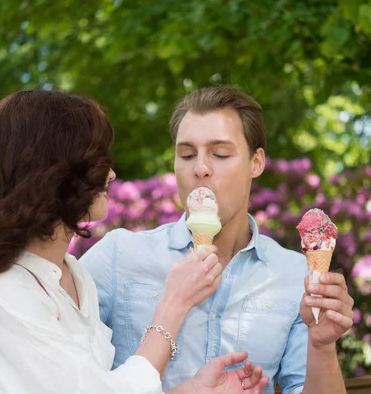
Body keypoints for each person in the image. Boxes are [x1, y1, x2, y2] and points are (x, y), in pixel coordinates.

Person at [0, 90, 270, 394]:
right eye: (97, 158)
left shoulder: (71, 274)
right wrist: (174, 306)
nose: (113, 172)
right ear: (53, 173)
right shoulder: (6, 292)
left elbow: (93, 385)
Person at [81, 86, 355, 394]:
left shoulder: (294, 276)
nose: (200, 168)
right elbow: (62, 377)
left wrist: (322, 346)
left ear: (256, 162)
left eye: (220, 154)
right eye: (186, 154)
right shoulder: (117, 257)